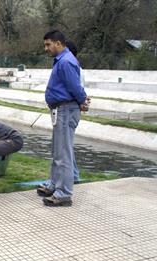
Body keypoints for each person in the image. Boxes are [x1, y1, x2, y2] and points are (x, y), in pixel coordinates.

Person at [37, 30, 90, 207]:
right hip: (61, 110)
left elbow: (75, 87)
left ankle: (64, 193)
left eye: (48, 44)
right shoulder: (61, 60)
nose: (46, 48)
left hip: (66, 110)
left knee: (63, 154)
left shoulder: (66, 62)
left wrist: (82, 100)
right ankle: (54, 184)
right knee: (57, 152)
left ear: (59, 43)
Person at [65, 39, 85, 182]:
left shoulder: (70, 66)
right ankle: (74, 174)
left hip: (69, 110)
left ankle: (73, 175)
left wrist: (82, 101)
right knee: (67, 145)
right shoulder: (72, 65)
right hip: (69, 109)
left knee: (65, 146)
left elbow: (76, 89)